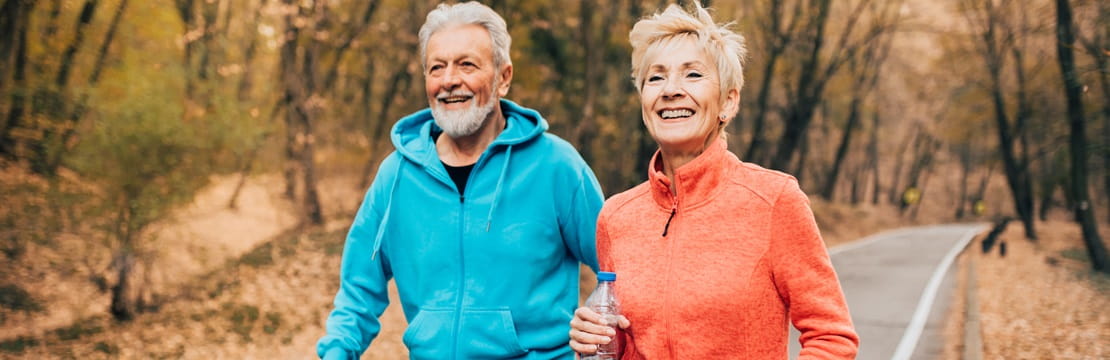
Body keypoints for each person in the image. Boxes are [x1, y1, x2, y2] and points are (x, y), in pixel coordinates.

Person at [568, 2, 859, 359]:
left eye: (692, 75)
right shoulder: (616, 217)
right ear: (644, 100)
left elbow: (831, 337)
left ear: (728, 102)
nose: (670, 89)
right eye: (656, 77)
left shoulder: (774, 201)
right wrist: (594, 342)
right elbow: (622, 344)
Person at [317, 2, 604, 359]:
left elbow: (618, 269)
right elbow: (358, 290)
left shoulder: (557, 166)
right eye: (437, 67)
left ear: (503, 77)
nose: (449, 80)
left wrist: (598, 333)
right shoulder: (396, 176)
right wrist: (337, 351)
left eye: (466, 64)